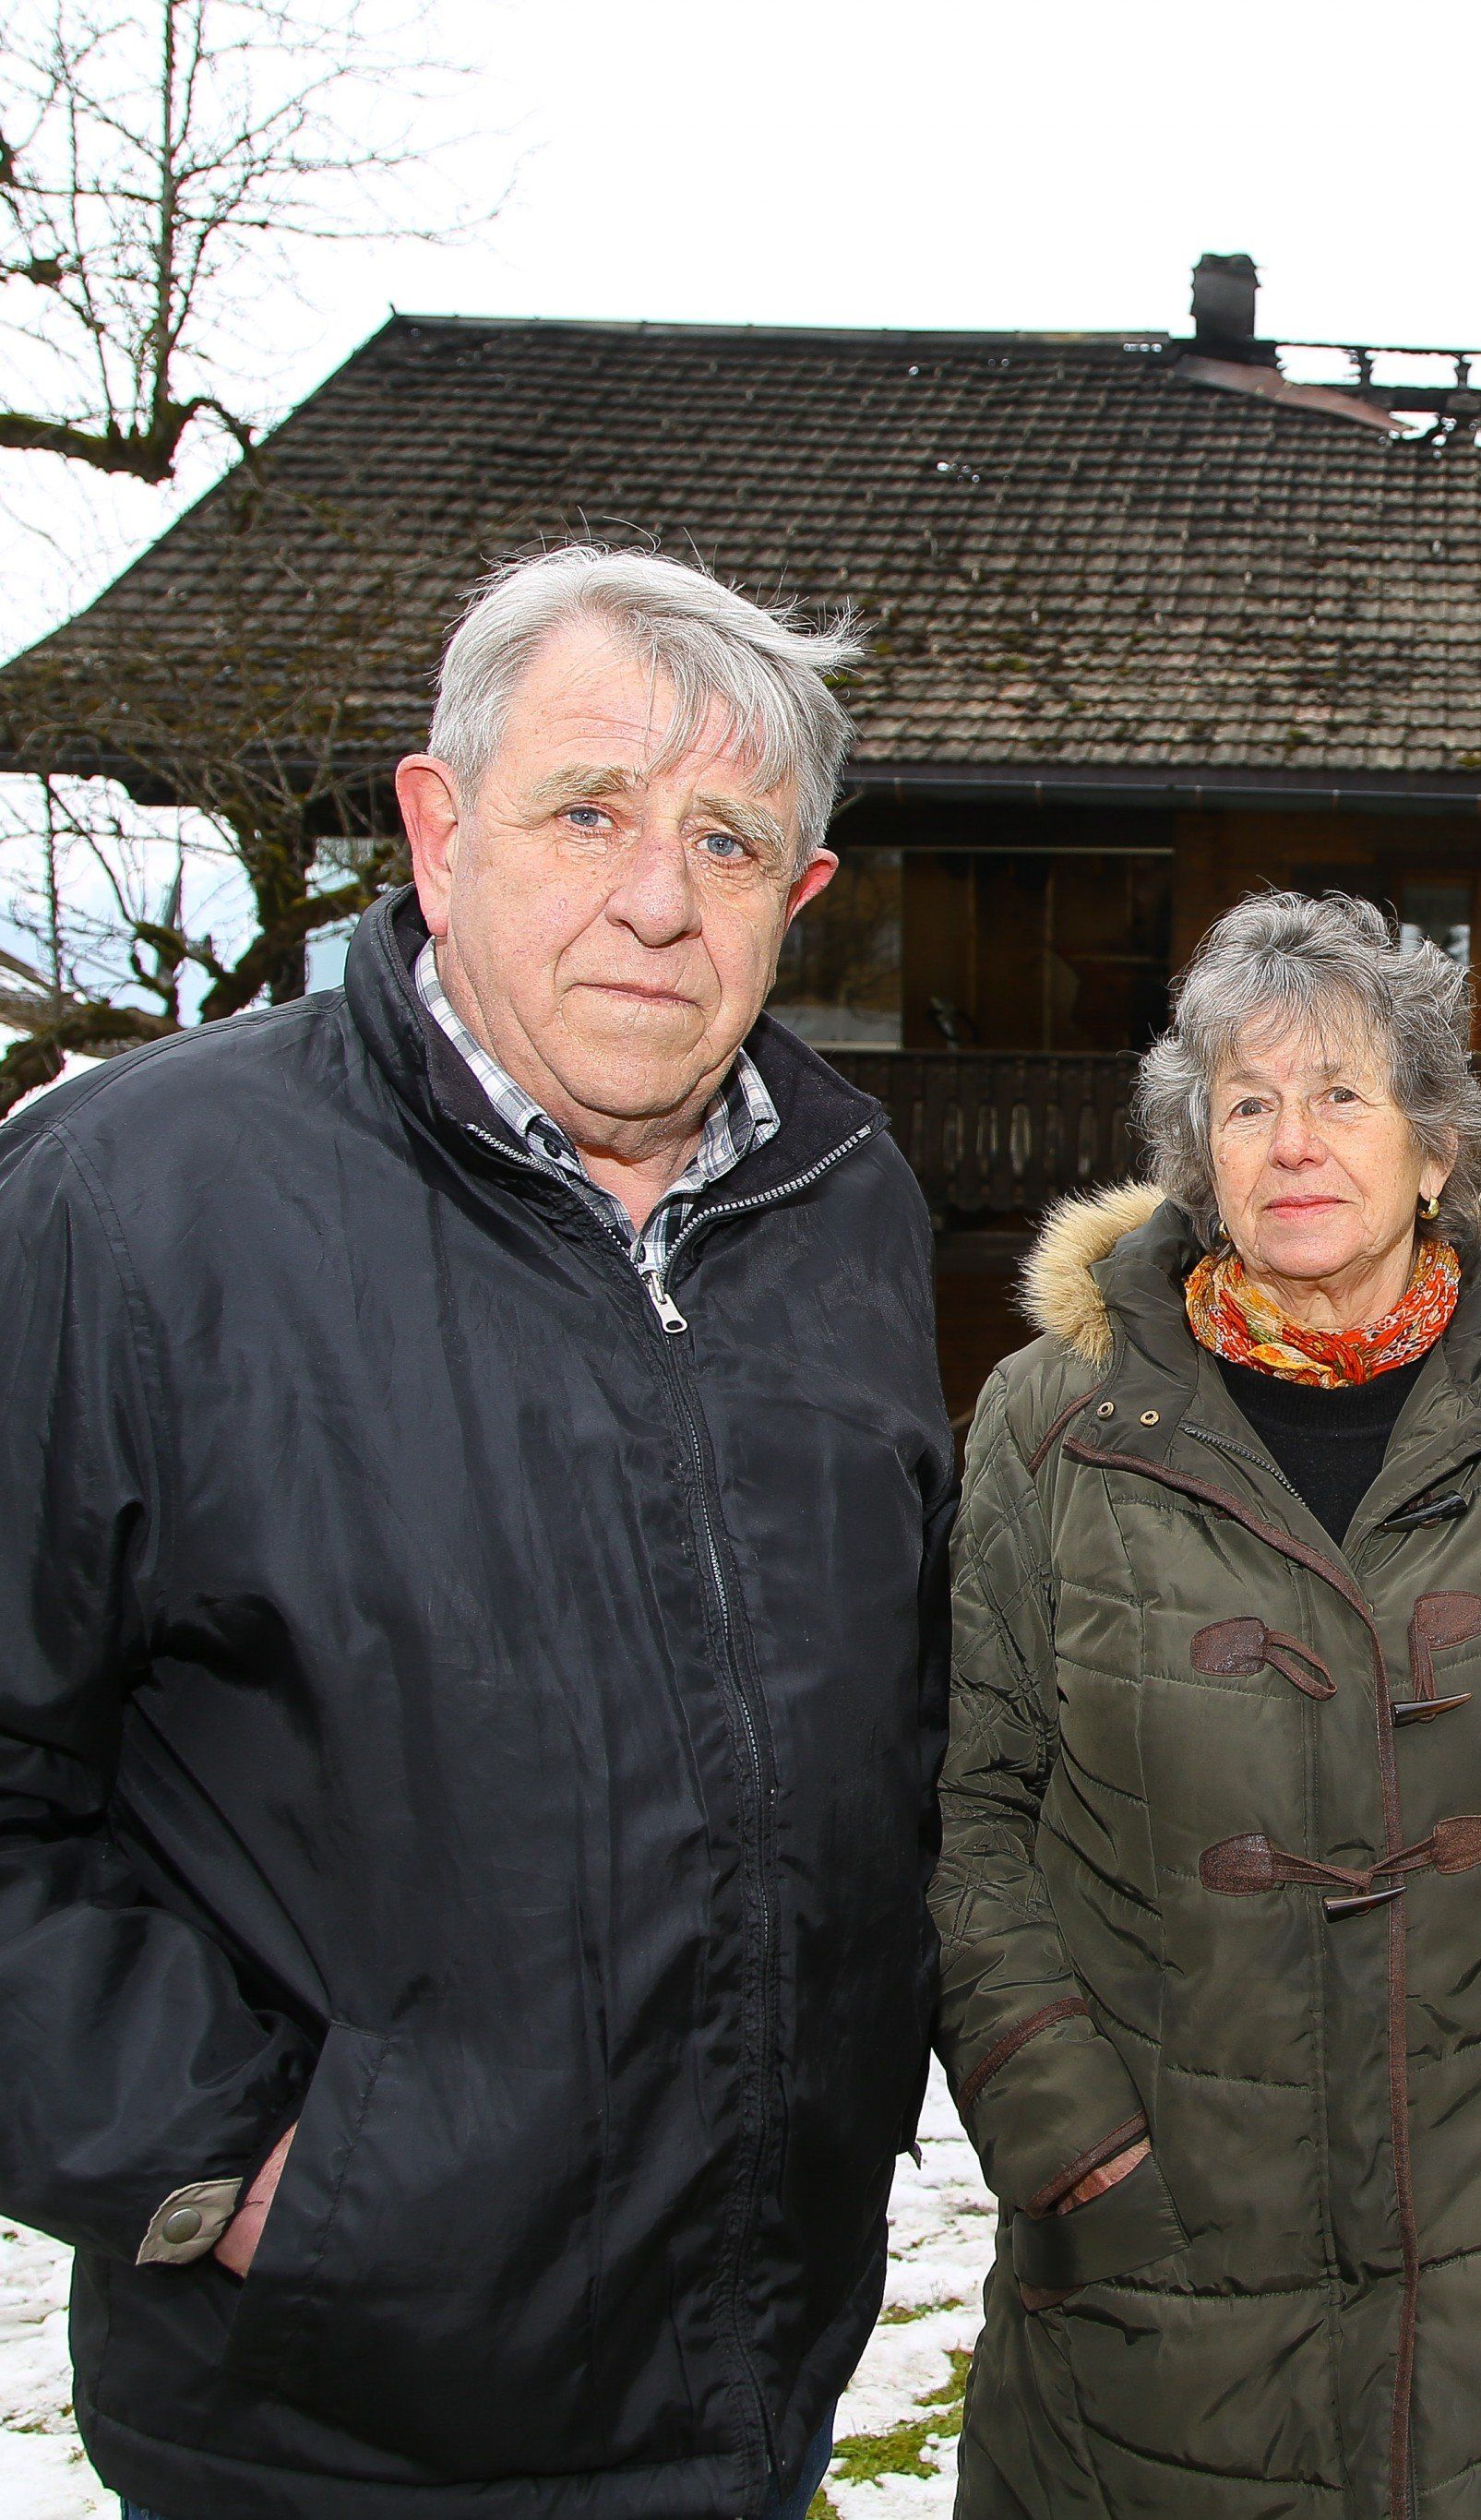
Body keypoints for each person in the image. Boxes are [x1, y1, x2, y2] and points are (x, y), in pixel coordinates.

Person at [0, 546, 957, 2520]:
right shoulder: (126, 1205)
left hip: (753, 2405)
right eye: (586, 811)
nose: (654, 897)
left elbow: (896, 1733)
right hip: (337, 2437)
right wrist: (243, 2166)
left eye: (726, 836)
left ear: (800, 898)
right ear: (438, 833)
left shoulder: (849, 1211)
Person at [937, 890, 1481, 2519]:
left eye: (1342, 1096)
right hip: (1153, 2276)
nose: (1293, 1142)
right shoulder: (1054, 1423)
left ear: (1437, 1147)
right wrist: (1071, 2145)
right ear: (1198, 1153)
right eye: (1247, 1104)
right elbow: (972, 1809)